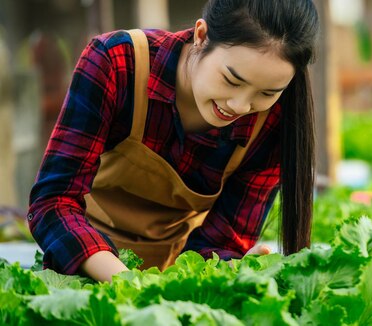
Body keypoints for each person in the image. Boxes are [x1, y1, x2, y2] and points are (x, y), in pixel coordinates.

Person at [27, 0, 319, 282]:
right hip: (83, 272)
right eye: (232, 80)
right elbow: (53, 202)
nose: (241, 106)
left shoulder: (273, 124)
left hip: (174, 288)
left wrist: (234, 267)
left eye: (267, 93)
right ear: (202, 36)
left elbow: (221, 241)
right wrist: (125, 283)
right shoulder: (116, 62)